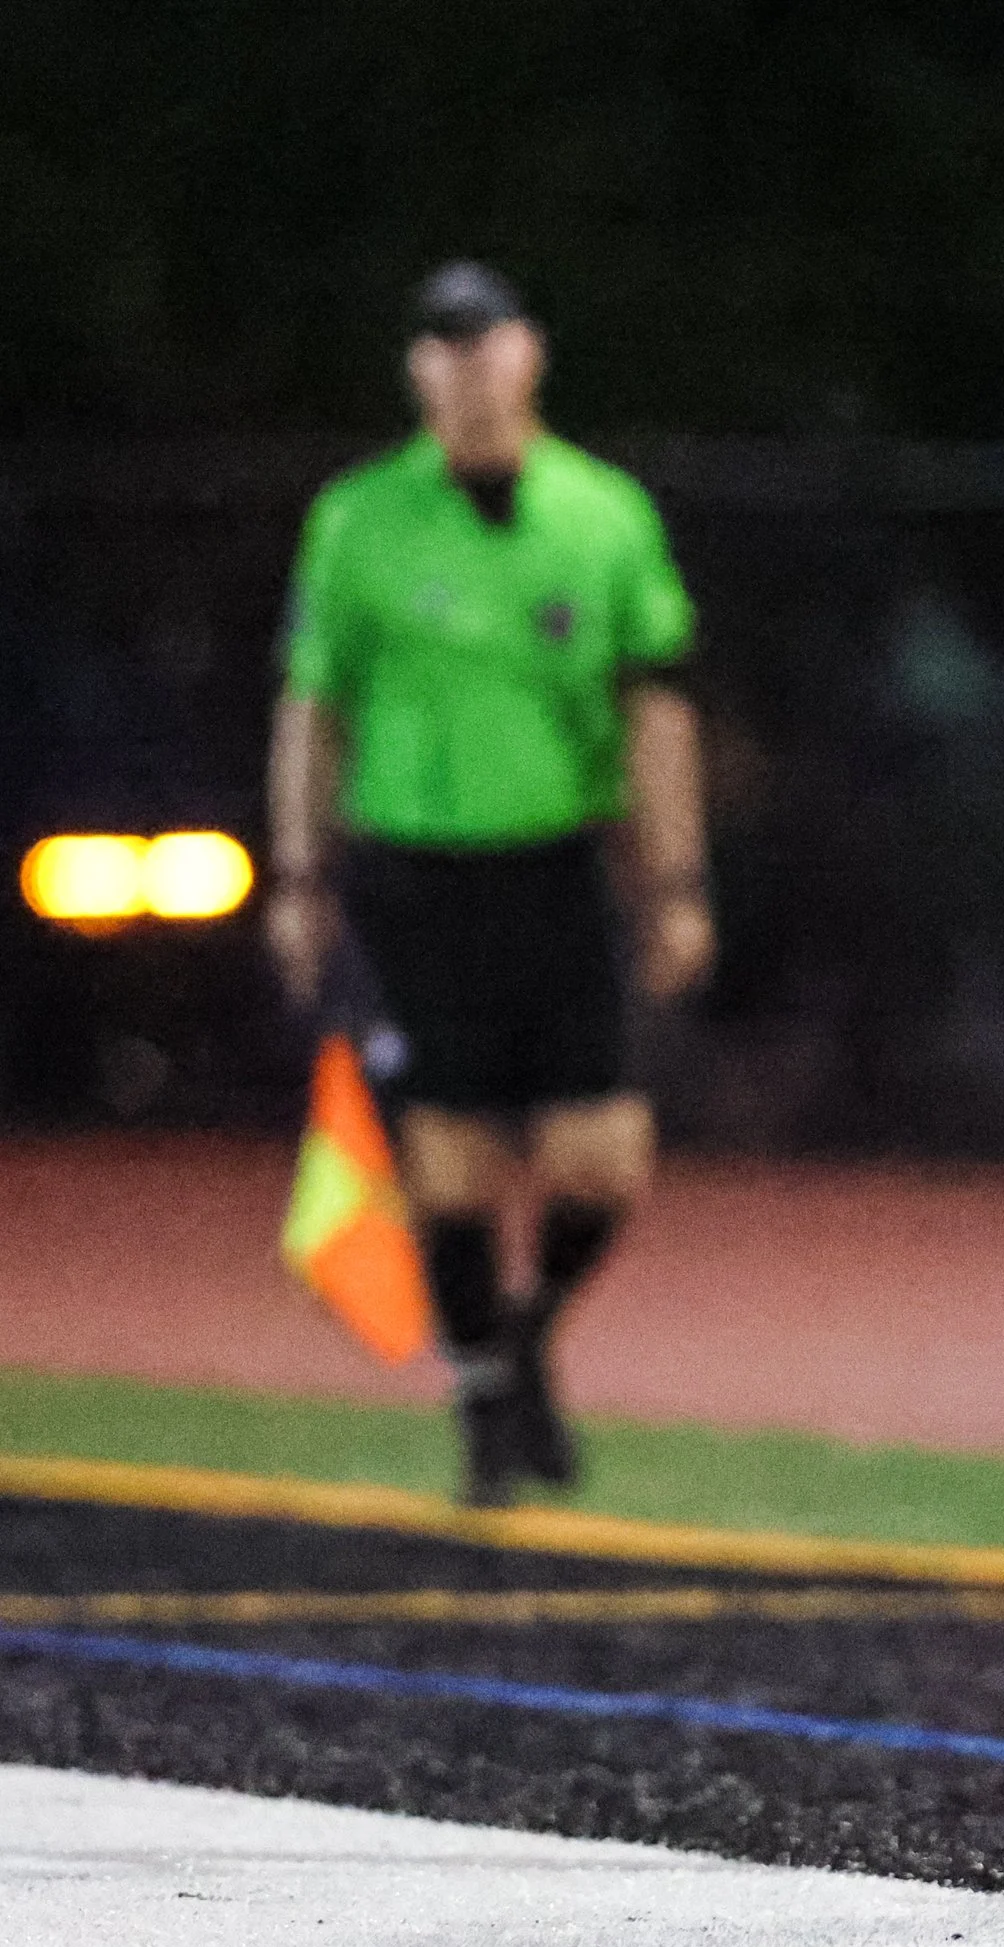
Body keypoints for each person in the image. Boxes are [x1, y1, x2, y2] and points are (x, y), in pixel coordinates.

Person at [266, 262, 712, 1508]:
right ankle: (479, 1397)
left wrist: (675, 879)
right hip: (413, 871)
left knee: (604, 1154)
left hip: (558, 861)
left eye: (488, 343)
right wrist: (299, 874)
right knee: (451, 1163)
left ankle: (520, 1339)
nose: (468, 369)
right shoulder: (358, 518)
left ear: (531, 355)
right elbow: (313, 706)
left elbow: (654, 708)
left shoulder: (603, 513)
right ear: (419, 370)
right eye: (442, 348)